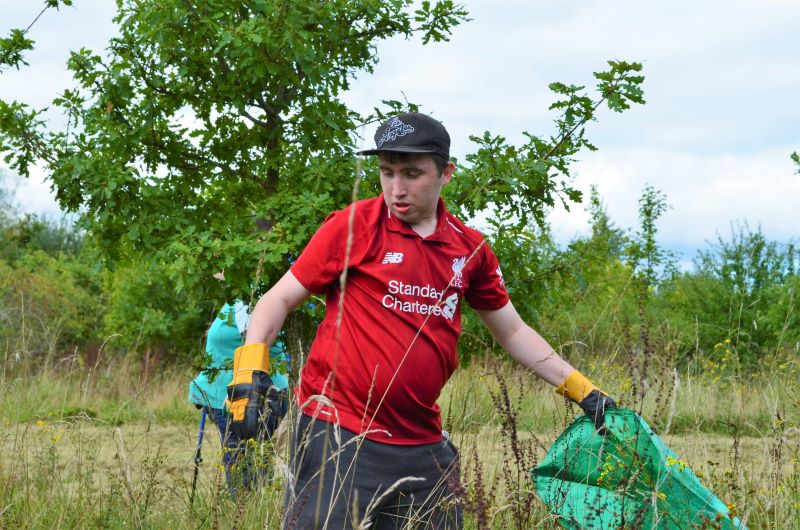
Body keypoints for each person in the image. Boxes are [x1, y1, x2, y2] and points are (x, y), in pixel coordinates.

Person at [225, 112, 616, 528]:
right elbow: (277, 299)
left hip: (423, 449)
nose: (396, 189)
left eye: (412, 174)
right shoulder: (354, 226)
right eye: (386, 172)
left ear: (446, 172)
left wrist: (582, 390)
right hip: (339, 437)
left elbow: (514, 331)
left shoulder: (470, 250)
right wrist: (249, 371)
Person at [188, 294, 289, 492]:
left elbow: (253, 342)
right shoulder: (239, 291)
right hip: (238, 392)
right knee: (250, 463)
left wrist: (241, 390)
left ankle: (246, 518)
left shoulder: (250, 293)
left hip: (243, 395)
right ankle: (251, 514)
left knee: (246, 472)